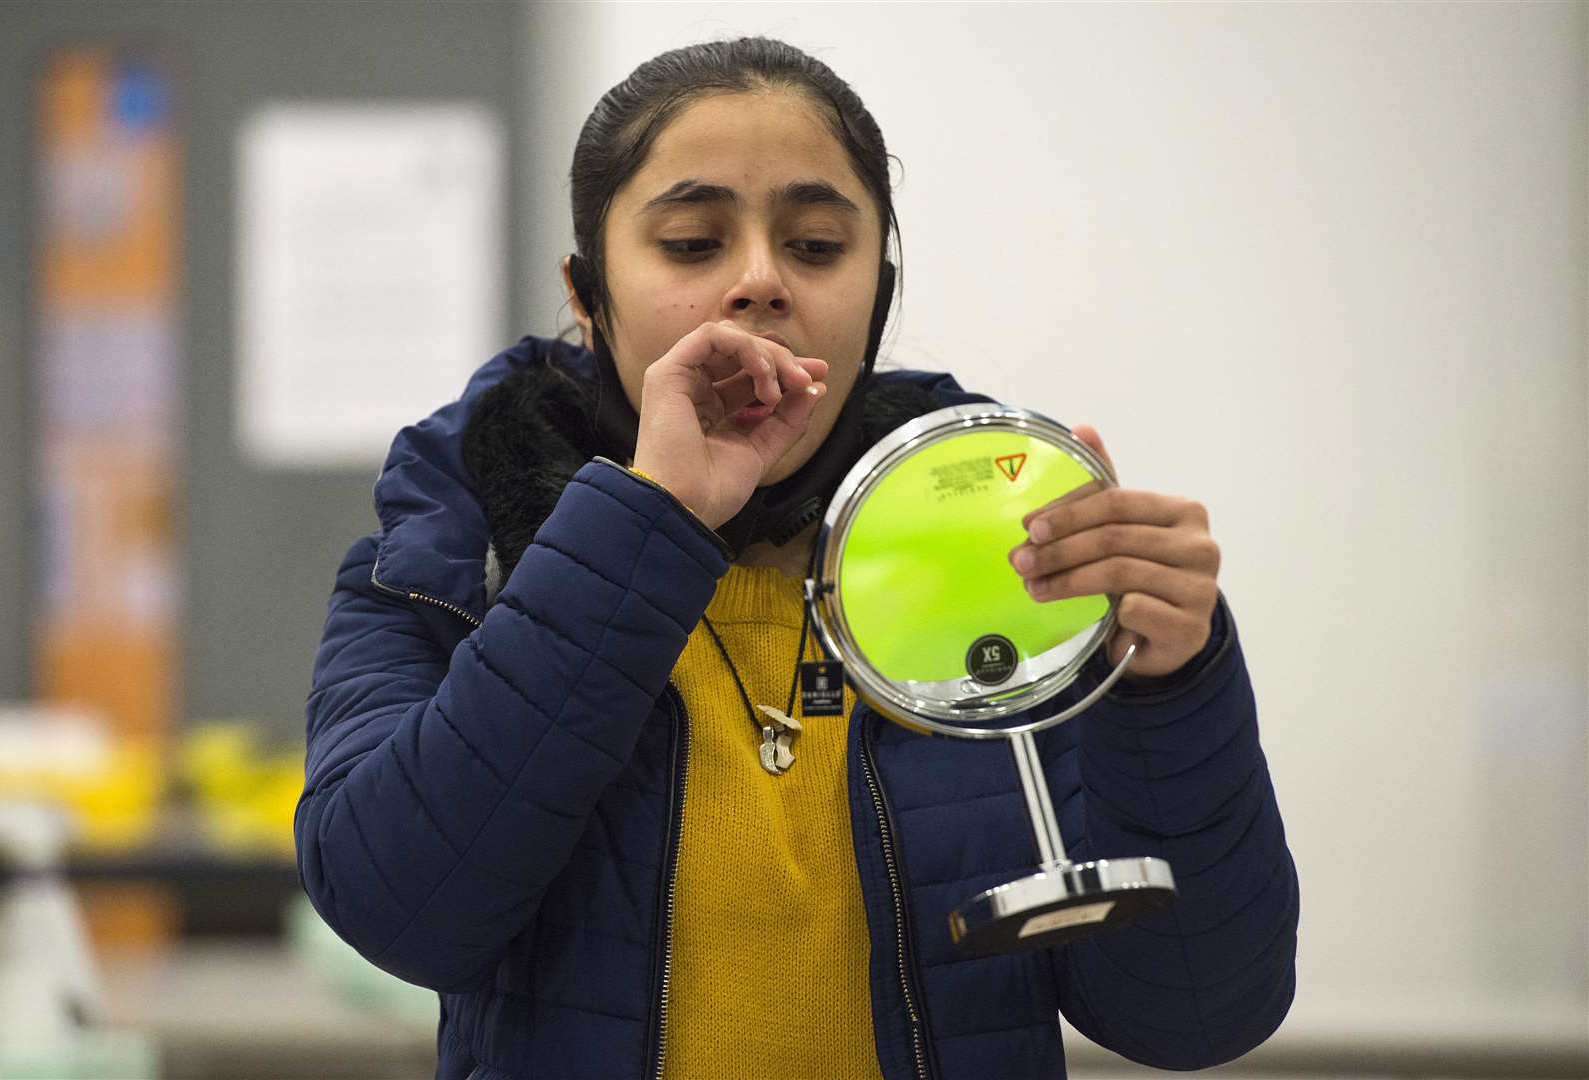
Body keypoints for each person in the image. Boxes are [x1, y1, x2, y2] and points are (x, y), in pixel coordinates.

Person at [297, 37, 1297, 1080]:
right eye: (691, 242)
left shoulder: (1010, 554)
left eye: (816, 245)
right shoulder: (450, 550)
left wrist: (1173, 687)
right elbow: (400, 913)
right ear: (588, 295)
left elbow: (1191, 1012)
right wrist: (652, 515)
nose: (760, 281)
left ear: (879, 292)